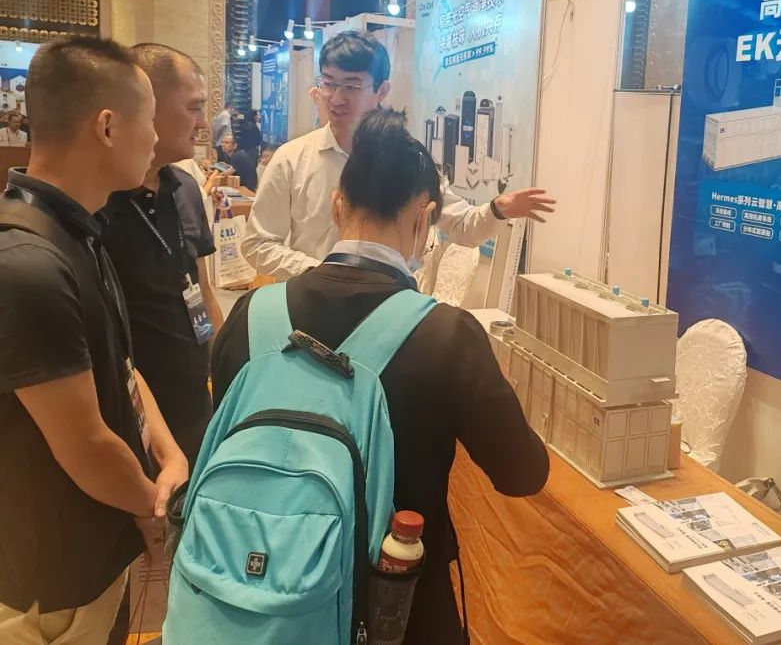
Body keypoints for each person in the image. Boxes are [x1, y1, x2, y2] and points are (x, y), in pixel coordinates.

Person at [212, 109, 549, 642]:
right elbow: (522, 474)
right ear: (425, 218)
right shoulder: (447, 336)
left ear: (336, 205)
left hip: (248, 594)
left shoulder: (250, 316)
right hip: (399, 608)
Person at [0, 37, 187, 642]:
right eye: (148, 120)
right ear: (107, 126)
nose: (155, 139)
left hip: (96, 552)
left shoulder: (79, 230)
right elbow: (84, 444)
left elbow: (121, 367)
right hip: (49, 580)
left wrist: (169, 452)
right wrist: (151, 506)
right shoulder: (27, 262)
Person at [242, 31, 555, 286]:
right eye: (329, 83)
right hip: (309, 309)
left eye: (351, 86)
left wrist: (497, 210)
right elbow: (257, 244)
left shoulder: (405, 157)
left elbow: (463, 227)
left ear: (382, 91)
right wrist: (321, 273)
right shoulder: (292, 159)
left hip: (387, 314)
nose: (336, 98)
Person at [102, 43, 224, 466]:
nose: (203, 123)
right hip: (131, 417)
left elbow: (202, 290)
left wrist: (225, 372)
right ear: (148, 105)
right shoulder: (100, 199)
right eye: (194, 108)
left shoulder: (185, 188)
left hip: (194, 403)